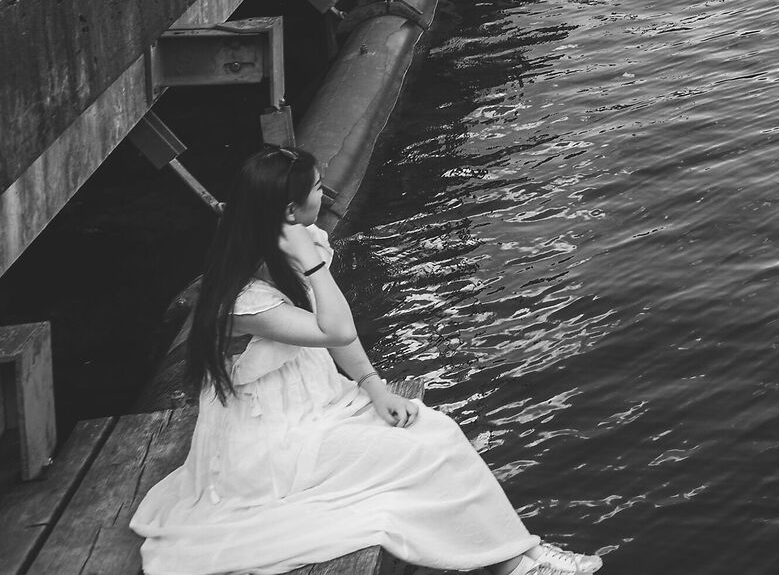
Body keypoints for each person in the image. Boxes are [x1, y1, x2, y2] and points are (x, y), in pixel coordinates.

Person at [130, 146, 601, 574]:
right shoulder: (244, 297)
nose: (326, 192)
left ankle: (521, 551)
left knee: (438, 430)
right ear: (290, 210)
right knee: (416, 456)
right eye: (317, 187)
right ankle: (511, 564)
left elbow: (331, 337)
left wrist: (373, 385)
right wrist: (313, 266)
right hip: (269, 441)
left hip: (312, 406)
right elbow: (334, 328)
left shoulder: (288, 247)